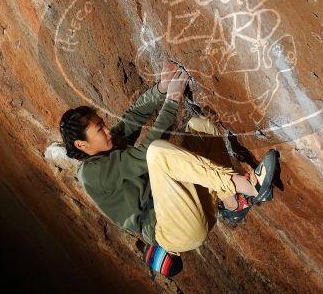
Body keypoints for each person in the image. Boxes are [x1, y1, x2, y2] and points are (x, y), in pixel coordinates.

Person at [59, 60, 279, 254]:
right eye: (99, 129)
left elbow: (133, 117)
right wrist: (173, 99)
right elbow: (145, 155)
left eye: (103, 124)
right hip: (174, 230)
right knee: (155, 152)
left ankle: (232, 204)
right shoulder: (91, 174)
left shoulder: (107, 146)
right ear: (81, 144)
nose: (107, 130)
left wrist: (162, 88)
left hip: (190, 207)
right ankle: (250, 187)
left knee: (202, 127)